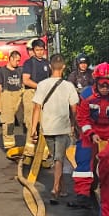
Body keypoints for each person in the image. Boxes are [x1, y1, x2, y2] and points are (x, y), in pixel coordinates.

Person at [71, 62, 109, 206]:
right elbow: (82, 118)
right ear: (95, 82)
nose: (104, 88)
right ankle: (82, 194)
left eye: (107, 85)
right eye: (101, 85)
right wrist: (90, 133)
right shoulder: (86, 95)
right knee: (83, 158)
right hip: (91, 131)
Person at [30, 57, 79, 205]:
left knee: (57, 158)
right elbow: (74, 108)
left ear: (50, 67)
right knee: (59, 158)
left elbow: (36, 108)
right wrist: (74, 125)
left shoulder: (42, 85)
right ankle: (57, 188)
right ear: (63, 67)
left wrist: (33, 129)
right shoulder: (69, 86)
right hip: (62, 127)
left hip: (47, 128)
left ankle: (59, 188)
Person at [18, 40, 50, 154]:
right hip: (31, 93)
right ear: (33, 50)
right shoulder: (29, 63)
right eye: (37, 50)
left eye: (41, 50)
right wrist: (40, 86)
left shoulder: (47, 63)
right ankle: (29, 153)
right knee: (31, 123)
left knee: (45, 123)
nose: (40, 52)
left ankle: (44, 154)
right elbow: (26, 80)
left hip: (44, 95)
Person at [0, 50, 25, 153]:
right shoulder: (2, 71)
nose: (18, 63)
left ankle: (29, 142)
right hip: (6, 96)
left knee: (25, 121)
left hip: (19, 96)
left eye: (19, 61)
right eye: (17, 60)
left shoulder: (20, 70)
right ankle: (9, 146)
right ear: (11, 58)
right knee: (8, 123)